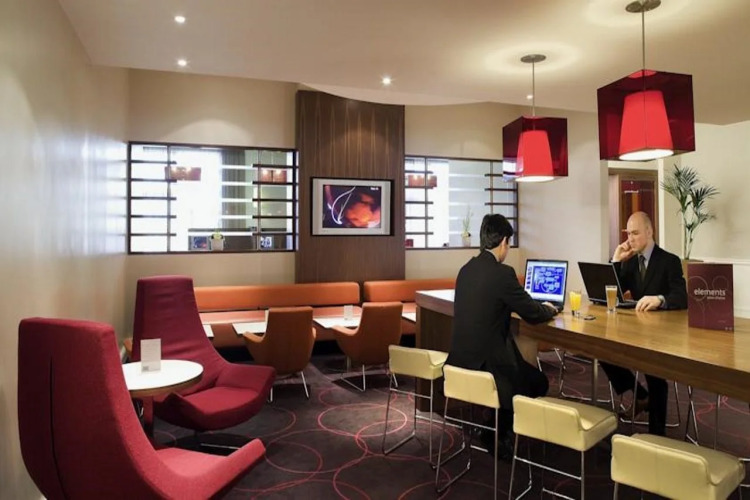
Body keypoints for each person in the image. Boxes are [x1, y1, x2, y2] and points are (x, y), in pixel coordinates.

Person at [446, 213, 559, 460]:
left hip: (459, 366)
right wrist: (550, 309)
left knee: (519, 368)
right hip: (488, 370)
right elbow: (533, 313)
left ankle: (492, 424)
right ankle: (497, 432)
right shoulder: (503, 273)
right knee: (538, 382)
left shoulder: (465, 270)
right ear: (505, 241)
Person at [601, 211, 687, 436]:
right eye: (628, 233)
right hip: (636, 330)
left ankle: (657, 437)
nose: (630, 239)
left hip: (663, 334)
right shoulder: (630, 262)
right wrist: (616, 260)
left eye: (635, 233)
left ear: (649, 232)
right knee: (602, 350)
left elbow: (682, 297)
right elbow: (612, 291)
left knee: (653, 372)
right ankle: (641, 396)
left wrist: (660, 299)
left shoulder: (669, 261)